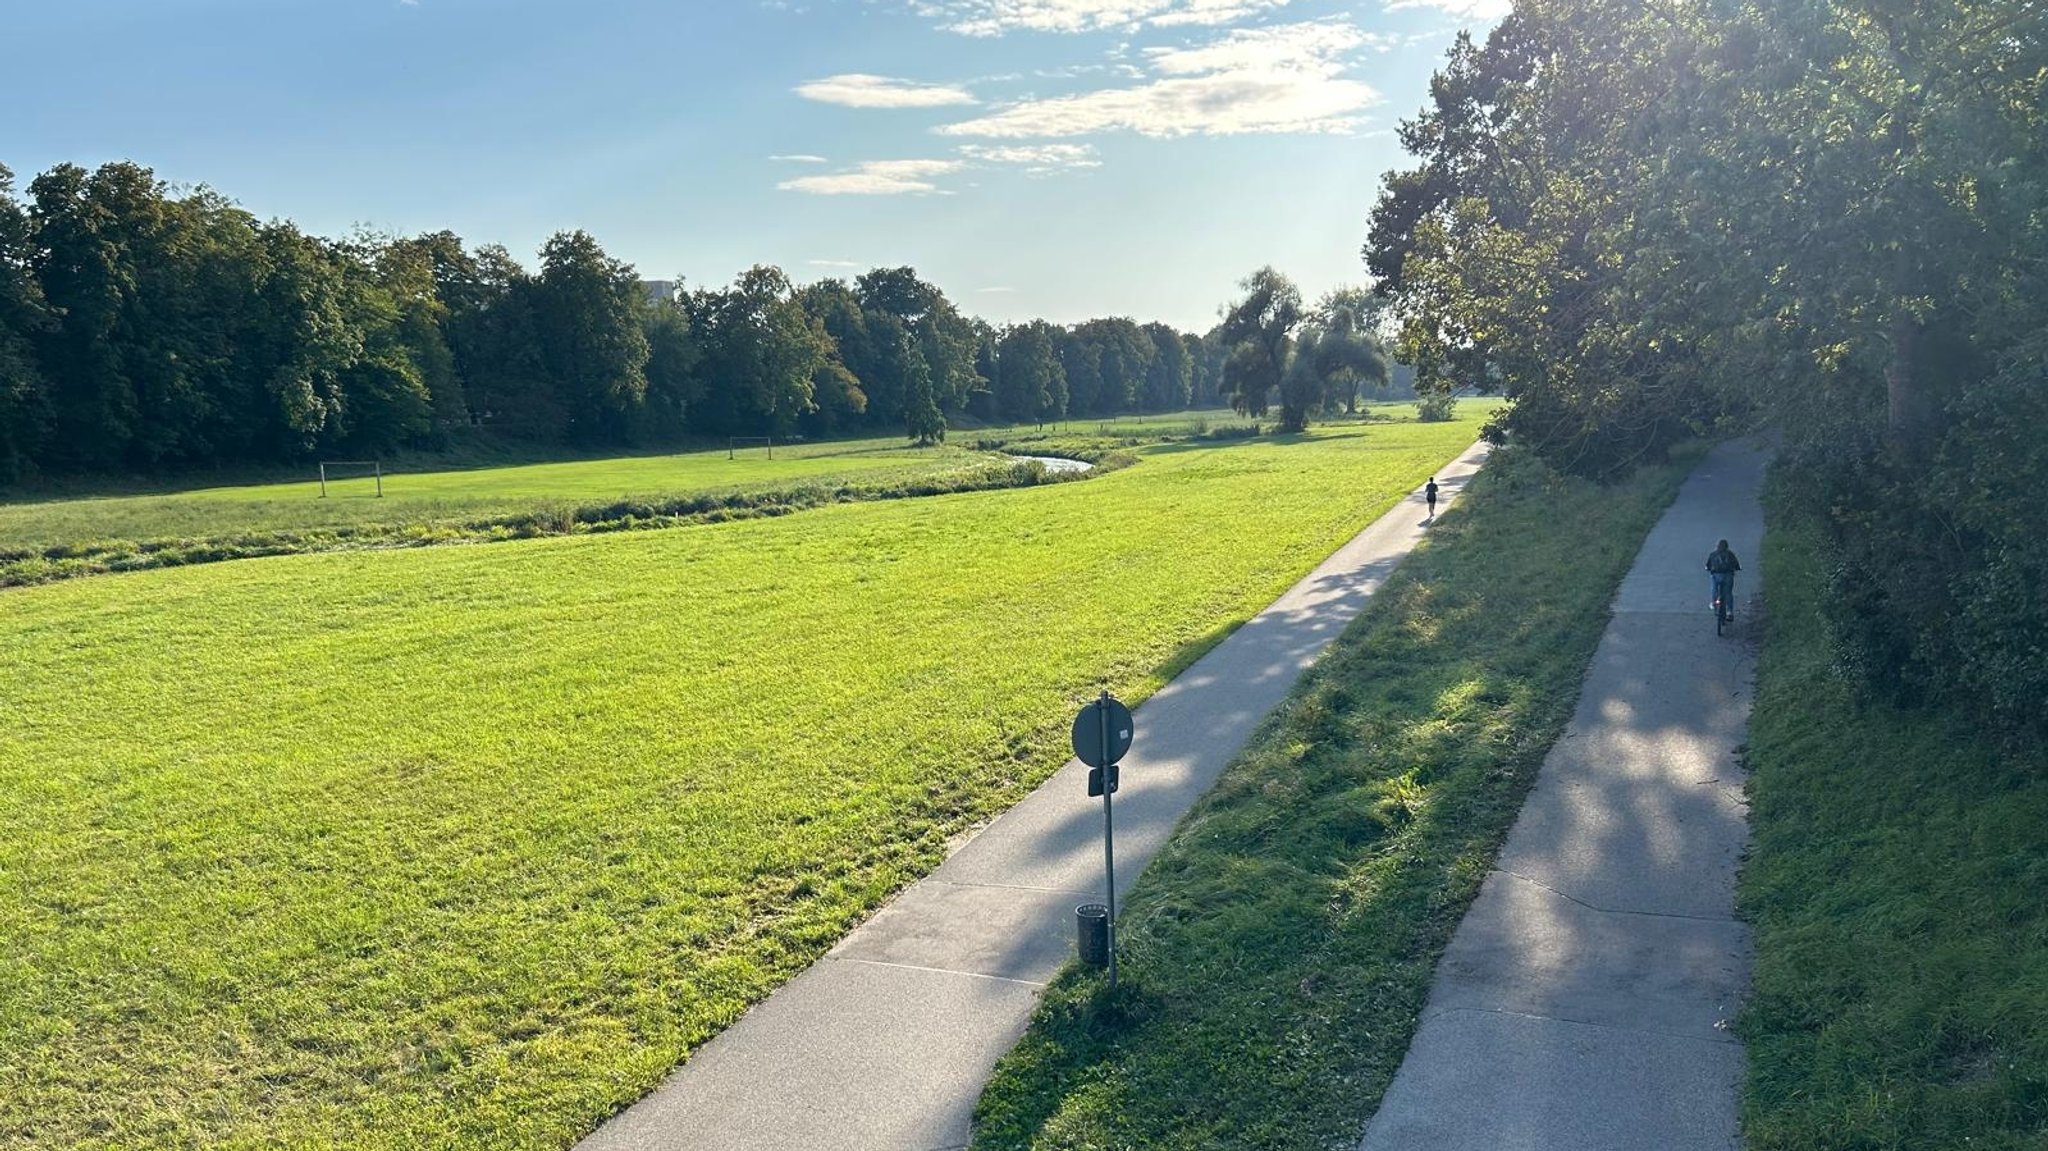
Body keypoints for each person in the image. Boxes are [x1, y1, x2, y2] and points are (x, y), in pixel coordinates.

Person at [1705, 539, 1741, 618]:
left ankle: (1714, 603)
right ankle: (1729, 611)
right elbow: (1736, 565)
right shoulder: (1730, 554)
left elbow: (1708, 566)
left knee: (1714, 589)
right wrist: (1737, 568)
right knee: (1728, 593)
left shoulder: (1713, 554)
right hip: (1728, 576)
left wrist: (1708, 569)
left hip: (1716, 575)